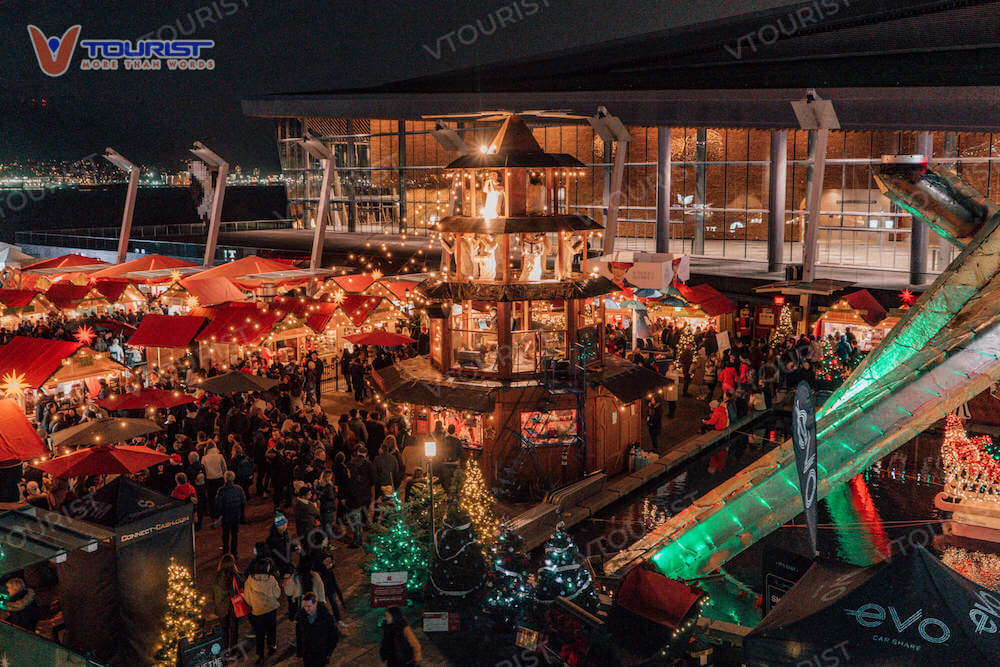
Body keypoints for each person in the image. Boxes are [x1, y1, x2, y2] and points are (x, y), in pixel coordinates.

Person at [244, 559, 282, 660]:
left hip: (257, 610)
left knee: (259, 633)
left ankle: (260, 654)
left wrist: (254, 604)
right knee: (271, 629)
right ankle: (271, 646)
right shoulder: (271, 579)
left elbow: (247, 597)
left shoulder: (249, 580)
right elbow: (277, 594)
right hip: (271, 609)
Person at [295, 592, 339, 667]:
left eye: (309, 606)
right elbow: (299, 636)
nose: (306, 609)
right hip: (308, 655)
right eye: (305, 606)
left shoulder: (325, 617)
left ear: (315, 604)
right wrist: (300, 653)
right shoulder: (301, 617)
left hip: (321, 654)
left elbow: (334, 635)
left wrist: (328, 652)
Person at [210, 554, 244, 649]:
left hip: (222, 607)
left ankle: (224, 649)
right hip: (234, 606)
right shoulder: (236, 576)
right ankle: (233, 649)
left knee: (224, 629)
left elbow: (213, 593)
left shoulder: (216, 577)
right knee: (234, 629)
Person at [215, 471, 247, 556]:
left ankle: (225, 551)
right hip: (236, 515)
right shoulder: (239, 489)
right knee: (234, 534)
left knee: (225, 534)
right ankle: (234, 552)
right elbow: (243, 502)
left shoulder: (221, 490)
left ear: (225, 479)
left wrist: (219, 514)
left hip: (226, 516)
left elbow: (218, 504)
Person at [316, 553, 346, 622]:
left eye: (330, 562)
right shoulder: (321, 571)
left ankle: (338, 619)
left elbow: (337, 587)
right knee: (322, 605)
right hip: (323, 589)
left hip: (330, 587)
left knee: (334, 603)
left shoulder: (329, 571)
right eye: (326, 562)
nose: (329, 564)